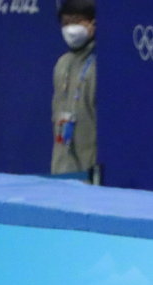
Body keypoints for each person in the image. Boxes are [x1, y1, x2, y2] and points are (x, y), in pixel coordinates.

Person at [51, 0, 97, 182]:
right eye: (65, 22)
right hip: (61, 172)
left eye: (77, 21)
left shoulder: (99, 68)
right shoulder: (62, 64)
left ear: (93, 23)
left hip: (88, 175)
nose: (70, 28)